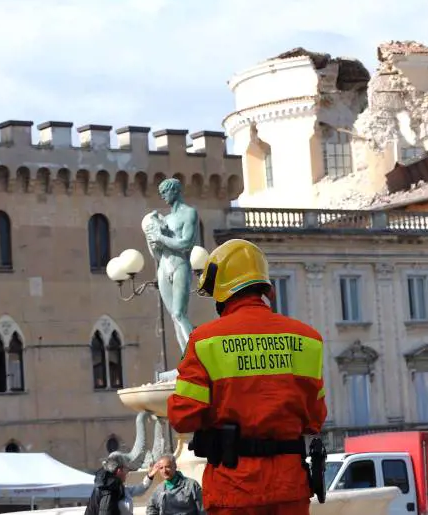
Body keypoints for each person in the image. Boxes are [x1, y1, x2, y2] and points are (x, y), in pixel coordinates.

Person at [166, 239, 328, 515]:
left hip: (234, 487)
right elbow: (315, 420)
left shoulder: (205, 341)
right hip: (290, 487)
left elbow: (182, 417)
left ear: (223, 291)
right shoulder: (308, 339)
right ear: (264, 287)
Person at [143, 177, 200, 352]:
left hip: (180, 264)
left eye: (165, 192)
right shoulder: (165, 219)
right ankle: (186, 359)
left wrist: (161, 238)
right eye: (161, 194)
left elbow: (186, 244)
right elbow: (157, 253)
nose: (163, 197)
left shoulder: (189, 213)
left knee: (179, 313)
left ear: (175, 190)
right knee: (174, 318)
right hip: (163, 267)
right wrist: (151, 238)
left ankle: (195, 355)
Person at [85, 454, 160, 515]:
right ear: (119, 470)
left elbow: (140, 489)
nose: (127, 473)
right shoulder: (107, 490)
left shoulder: (118, 487)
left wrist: (150, 476)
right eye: (126, 469)